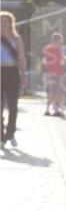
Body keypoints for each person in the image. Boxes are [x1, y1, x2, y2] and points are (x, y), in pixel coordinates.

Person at [0, 11, 27, 148]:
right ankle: (1, 135)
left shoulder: (17, 39)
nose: (3, 24)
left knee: (12, 105)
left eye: (6, 21)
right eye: (1, 21)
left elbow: (21, 57)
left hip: (12, 72)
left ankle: (10, 133)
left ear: (11, 23)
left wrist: (24, 75)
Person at [43, 32, 66, 117]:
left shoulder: (47, 48)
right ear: (57, 40)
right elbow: (63, 61)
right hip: (57, 72)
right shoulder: (58, 49)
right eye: (61, 39)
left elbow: (45, 60)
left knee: (52, 91)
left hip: (50, 73)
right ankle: (56, 109)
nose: (62, 41)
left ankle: (48, 109)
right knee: (58, 91)